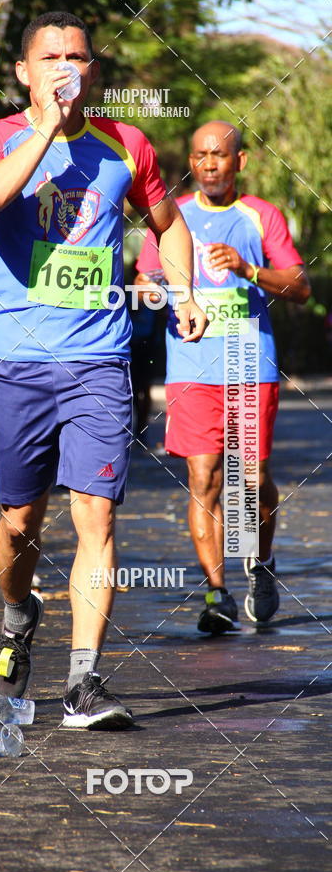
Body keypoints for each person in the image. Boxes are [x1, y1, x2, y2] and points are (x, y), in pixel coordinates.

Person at [0, 10, 207, 728]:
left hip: (99, 357)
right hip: (15, 361)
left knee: (95, 512)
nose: (68, 66)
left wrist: (182, 291)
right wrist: (43, 127)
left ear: (94, 70)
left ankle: (83, 685)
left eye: (79, 56)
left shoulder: (126, 144)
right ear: (24, 72)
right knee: (19, 524)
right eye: (52, 57)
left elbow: (168, 223)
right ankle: (16, 613)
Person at [136, 120, 310, 635]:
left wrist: (248, 270)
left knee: (251, 482)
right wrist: (148, 290)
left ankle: (260, 560)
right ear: (189, 162)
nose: (209, 164)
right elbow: (147, 277)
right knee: (204, 479)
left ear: (240, 162)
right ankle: (217, 593)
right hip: (191, 367)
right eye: (199, 155)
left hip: (248, 365)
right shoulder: (171, 217)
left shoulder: (261, 216)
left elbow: (299, 286)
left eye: (219, 155)